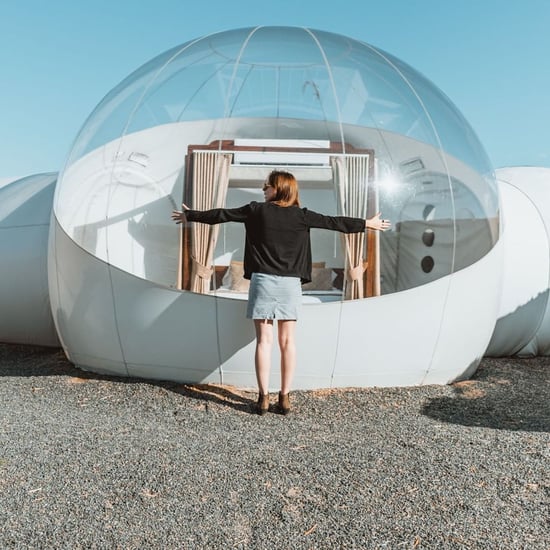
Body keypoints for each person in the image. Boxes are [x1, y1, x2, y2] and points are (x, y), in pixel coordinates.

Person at [171, 170, 391, 415]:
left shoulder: (256, 210)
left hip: (263, 281)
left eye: (267, 186)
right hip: (289, 285)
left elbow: (222, 215)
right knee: (287, 342)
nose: (263, 189)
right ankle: (284, 398)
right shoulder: (301, 215)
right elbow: (334, 222)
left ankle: (263, 398)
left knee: (264, 341)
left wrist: (189, 215)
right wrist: (366, 224)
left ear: (279, 188)